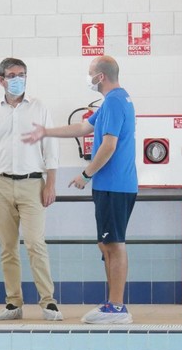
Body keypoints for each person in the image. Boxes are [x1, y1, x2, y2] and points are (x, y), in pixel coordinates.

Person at [22, 56, 137, 324]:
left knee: (114, 244)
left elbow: (109, 145)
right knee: (106, 243)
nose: (88, 78)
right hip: (111, 185)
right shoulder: (114, 102)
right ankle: (113, 304)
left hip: (115, 185)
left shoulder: (115, 101)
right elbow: (83, 127)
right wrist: (46, 132)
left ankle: (117, 307)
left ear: (101, 77)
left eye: (90, 73)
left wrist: (86, 174)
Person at [0, 57, 63, 321]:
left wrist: (51, 183)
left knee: (36, 244)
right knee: (8, 247)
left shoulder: (39, 108)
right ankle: (14, 303)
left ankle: (48, 302)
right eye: (12, 75)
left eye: (22, 74)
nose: (18, 79)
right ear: (1, 79)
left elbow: (50, 149)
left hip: (33, 183)